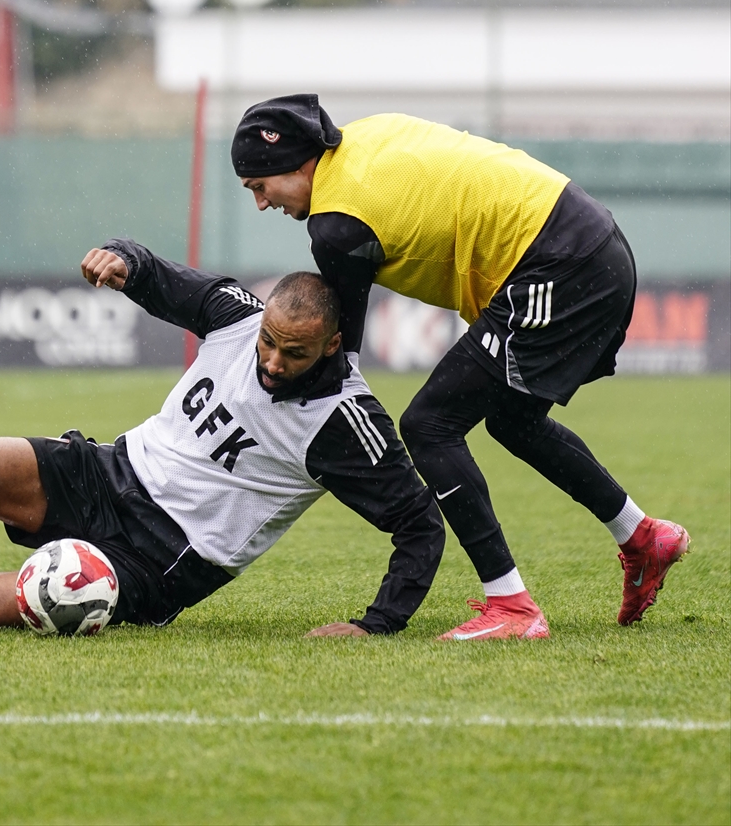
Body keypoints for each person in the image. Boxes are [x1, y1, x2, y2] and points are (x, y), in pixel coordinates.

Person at [0, 240, 444, 638]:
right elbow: (162, 279)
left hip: (157, 560)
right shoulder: (237, 317)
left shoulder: (344, 424)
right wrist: (123, 259)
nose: (273, 361)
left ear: (332, 345)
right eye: (269, 343)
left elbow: (418, 524)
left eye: (294, 353)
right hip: (107, 472)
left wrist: (375, 624)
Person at [232, 93, 690, 641]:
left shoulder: (335, 226)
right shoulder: (362, 136)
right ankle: (642, 536)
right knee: (513, 420)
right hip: (591, 241)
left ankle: (512, 608)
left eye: (260, 186)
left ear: (295, 164)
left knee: (429, 425)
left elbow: (339, 360)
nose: (261, 203)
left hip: (555, 263)